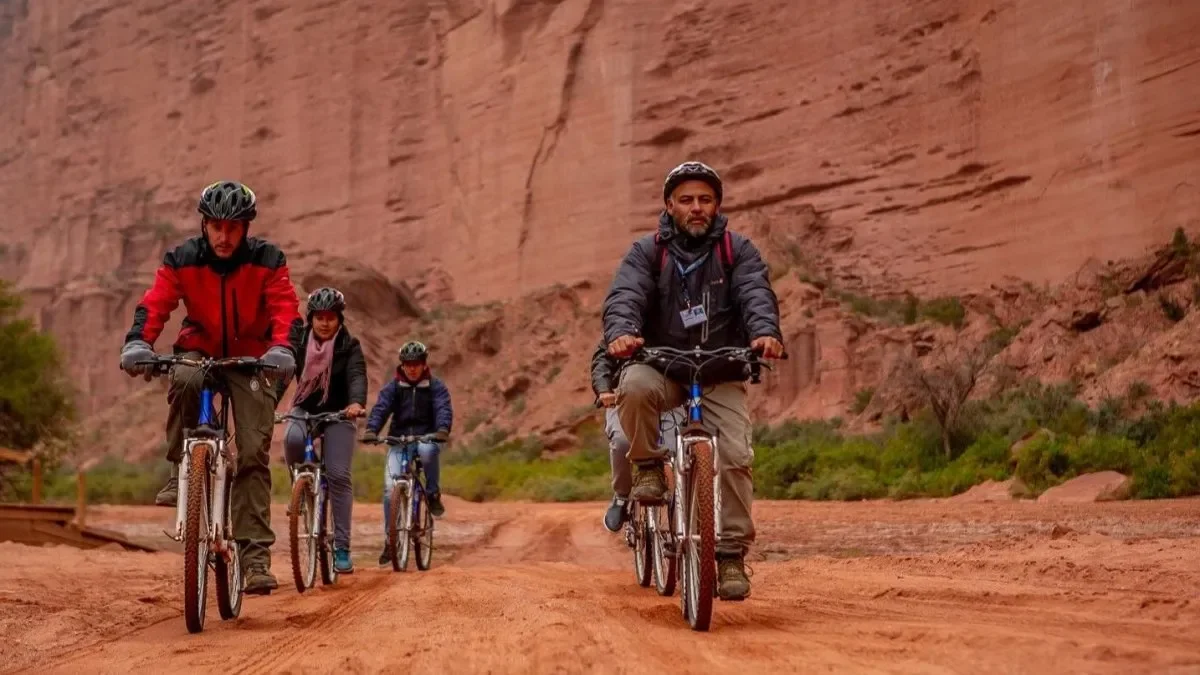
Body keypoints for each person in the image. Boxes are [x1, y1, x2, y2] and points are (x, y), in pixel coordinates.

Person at [602, 161, 785, 601]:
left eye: (705, 199)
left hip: (720, 369)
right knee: (634, 387)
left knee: (737, 457)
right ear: (670, 205)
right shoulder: (647, 253)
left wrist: (765, 332)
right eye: (686, 200)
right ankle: (647, 466)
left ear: (717, 205)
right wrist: (622, 333)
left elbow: (755, 292)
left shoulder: (736, 250)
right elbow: (625, 294)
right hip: (662, 366)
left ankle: (729, 556)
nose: (696, 207)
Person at [119, 180, 301, 595]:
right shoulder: (181, 258)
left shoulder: (268, 260)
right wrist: (137, 341)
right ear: (204, 225)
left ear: (246, 228)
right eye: (216, 226)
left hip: (253, 356)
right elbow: (156, 302)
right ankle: (178, 470)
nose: (224, 236)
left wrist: (283, 348)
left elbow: (286, 309)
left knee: (253, 452)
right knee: (183, 376)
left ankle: (254, 558)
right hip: (199, 348)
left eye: (233, 228)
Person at [280, 287, 367, 574]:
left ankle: (341, 547)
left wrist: (355, 403)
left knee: (339, 475)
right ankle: (302, 487)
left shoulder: (349, 346)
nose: (325, 323)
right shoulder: (299, 341)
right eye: (319, 317)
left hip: (340, 412)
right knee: (292, 437)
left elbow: (356, 376)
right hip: (306, 408)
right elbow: (283, 369)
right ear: (311, 318)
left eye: (331, 317)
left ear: (339, 319)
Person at [362, 340, 453, 566]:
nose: (412, 368)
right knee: (389, 490)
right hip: (399, 440)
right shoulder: (393, 387)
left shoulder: (435, 387)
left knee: (426, 451)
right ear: (401, 365)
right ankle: (390, 539)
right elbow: (381, 408)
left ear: (424, 364)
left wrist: (442, 430)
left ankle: (432, 493)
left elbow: (443, 408)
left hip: (427, 437)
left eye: (417, 364)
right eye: (408, 364)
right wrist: (372, 430)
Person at [589, 338, 685, 533]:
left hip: (668, 401)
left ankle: (684, 506)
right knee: (622, 442)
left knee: (675, 449)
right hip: (625, 398)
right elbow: (603, 360)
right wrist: (604, 389)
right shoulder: (625, 322)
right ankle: (622, 496)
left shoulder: (675, 322)